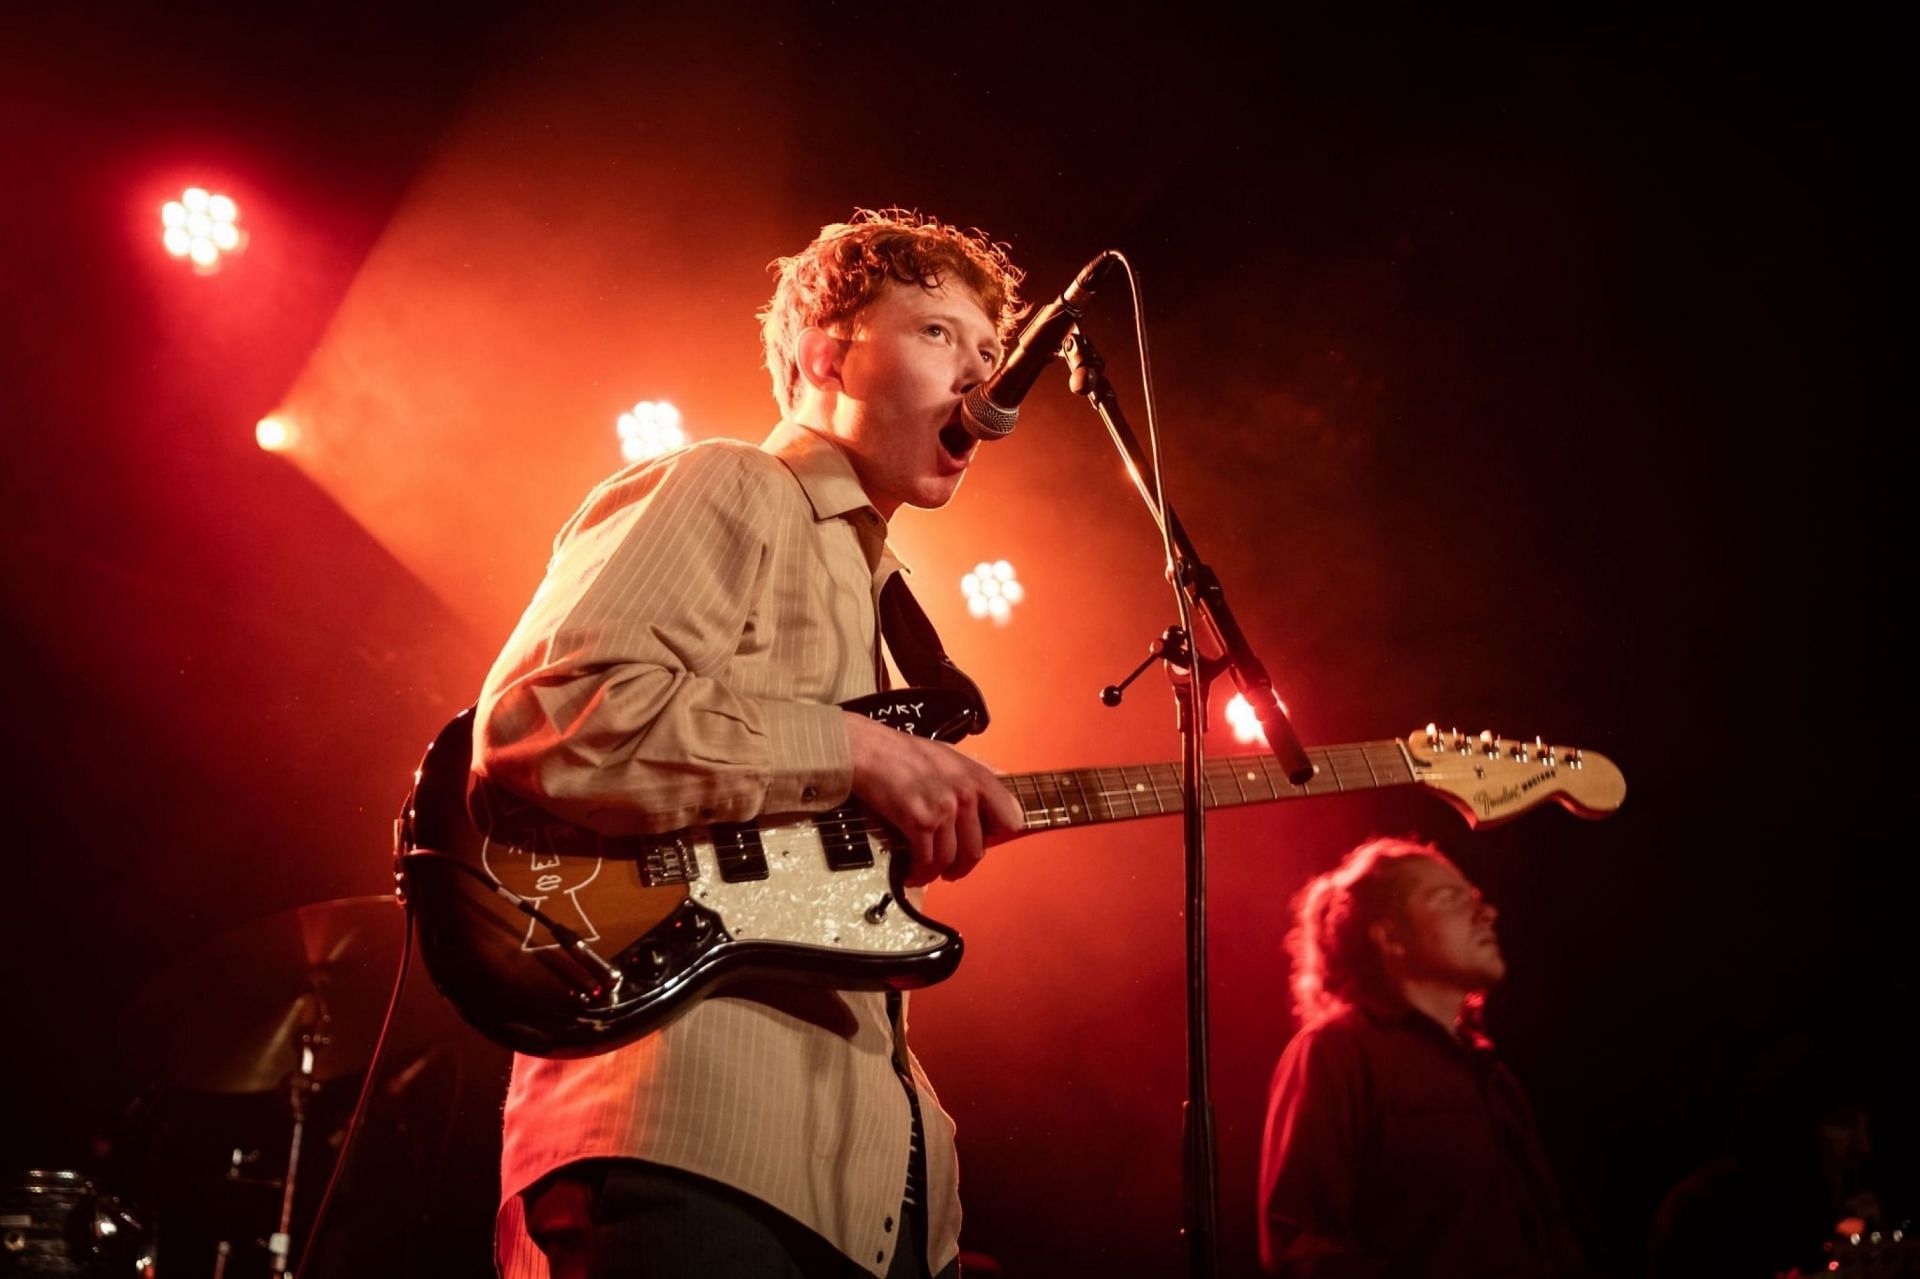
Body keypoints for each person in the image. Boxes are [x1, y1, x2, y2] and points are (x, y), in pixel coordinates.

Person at [473, 209, 1028, 1279]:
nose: (982, 379)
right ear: (827, 352)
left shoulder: (887, 608)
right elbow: (545, 722)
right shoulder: (732, 482)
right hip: (690, 1134)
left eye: (991, 351)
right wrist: (855, 753)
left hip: (846, 1172)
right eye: (938, 335)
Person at [1257, 837, 1585, 1278]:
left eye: (1476, 899)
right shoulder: (1338, 1050)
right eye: (1449, 898)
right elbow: (1301, 1243)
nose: (1487, 913)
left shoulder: (1490, 1070)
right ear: (1390, 936)